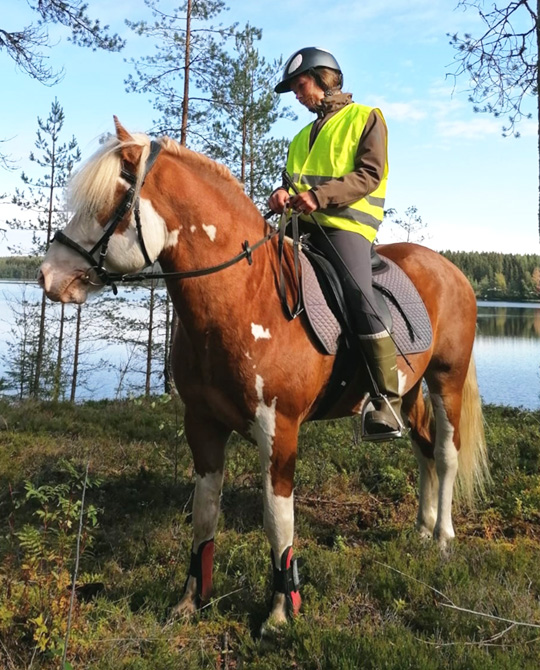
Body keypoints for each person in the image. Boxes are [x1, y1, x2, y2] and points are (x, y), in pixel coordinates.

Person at [268, 46, 402, 439]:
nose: (297, 93)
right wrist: (279, 194)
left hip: (346, 227)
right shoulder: (298, 138)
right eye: (294, 87)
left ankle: (387, 401)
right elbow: (293, 183)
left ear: (325, 78)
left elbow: (369, 174)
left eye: (300, 84)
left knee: (359, 296)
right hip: (299, 228)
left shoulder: (366, 118)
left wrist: (319, 197)